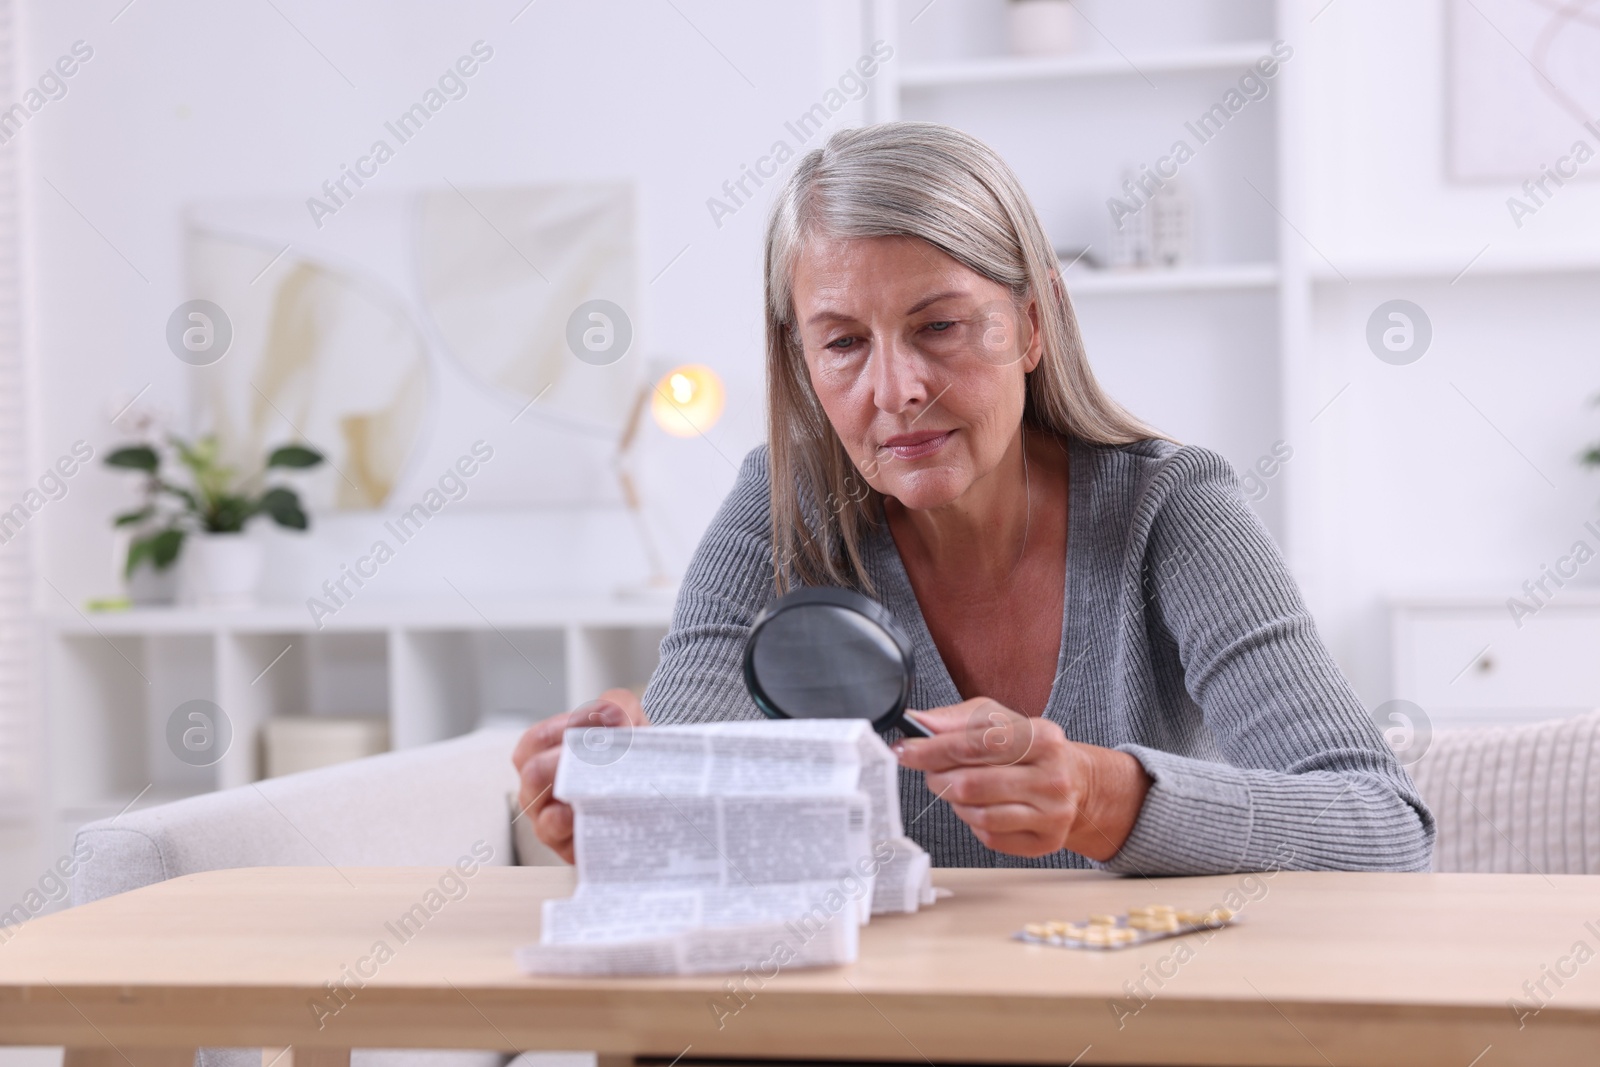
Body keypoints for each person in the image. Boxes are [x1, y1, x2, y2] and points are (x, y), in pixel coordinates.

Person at [513, 121, 1434, 875]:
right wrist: (626, 812)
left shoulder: (1170, 510)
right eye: (842, 343)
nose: (897, 389)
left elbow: (1387, 831)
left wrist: (1103, 796)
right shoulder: (779, 511)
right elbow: (694, 803)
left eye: (940, 326)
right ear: (802, 359)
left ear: (1033, 323)